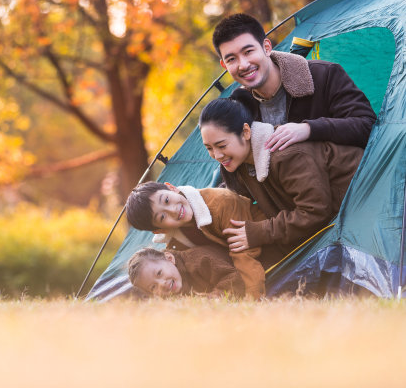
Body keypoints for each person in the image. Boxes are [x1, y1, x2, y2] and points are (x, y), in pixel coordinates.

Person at [198, 97, 363, 257]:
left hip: (363, 205)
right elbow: (233, 196)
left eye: (221, 146)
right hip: (336, 224)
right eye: (209, 148)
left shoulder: (288, 156)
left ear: (246, 132)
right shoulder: (237, 163)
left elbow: (314, 212)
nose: (217, 155)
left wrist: (260, 232)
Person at [212, 13, 376, 153]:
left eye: (248, 52)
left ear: (267, 47)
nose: (243, 65)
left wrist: (308, 130)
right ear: (224, 65)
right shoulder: (239, 105)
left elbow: (368, 126)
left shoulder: (323, 75)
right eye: (232, 59)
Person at [125, 181, 276, 298]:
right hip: (234, 268)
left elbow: (244, 255)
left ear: (171, 188)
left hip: (273, 247)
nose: (173, 210)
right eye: (162, 217)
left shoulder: (220, 202)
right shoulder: (177, 245)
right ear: (160, 230)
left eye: (166, 200)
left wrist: (253, 298)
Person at [127, 246, 245, 298]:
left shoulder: (198, 261)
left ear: (170, 259)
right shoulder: (173, 293)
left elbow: (234, 277)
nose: (161, 284)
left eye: (159, 273)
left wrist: (215, 296)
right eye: (153, 287)